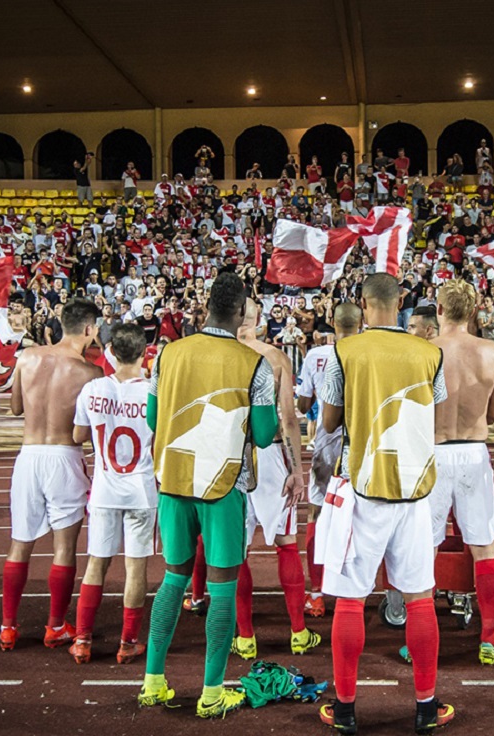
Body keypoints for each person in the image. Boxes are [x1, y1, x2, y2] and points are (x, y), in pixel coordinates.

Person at [316, 273, 453, 735]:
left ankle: (347, 710)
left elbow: (331, 420)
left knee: (351, 599)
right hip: (414, 486)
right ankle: (426, 706)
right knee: (418, 598)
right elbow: (431, 415)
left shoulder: (344, 351)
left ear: (362, 302)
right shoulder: (430, 353)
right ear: (402, 304)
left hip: (362, 484)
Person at [138, 271, 277, 719]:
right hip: (224, 485)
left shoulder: (168, 354)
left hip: (174, 480)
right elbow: (263, 434)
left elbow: (154, 418)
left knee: (174, 578)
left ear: (205, 309)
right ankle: (212, 693)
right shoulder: (254, 363)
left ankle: (153, 682)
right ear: (240, 313)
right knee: (221, 589)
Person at [0, 299, 104, 651]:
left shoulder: (27, 358)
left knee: (20, 542)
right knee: (65, 547)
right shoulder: (90, 373)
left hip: (28, 455)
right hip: (64, 454)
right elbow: (86, 430)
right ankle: (56, 624)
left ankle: (7, 626)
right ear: (89, 328)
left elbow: (15, 407)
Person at [424, 280, 494, 664]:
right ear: (473, 312)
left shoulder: (424, 351)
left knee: (424, 549)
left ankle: (420, 638)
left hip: (434, 453)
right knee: (484, 547)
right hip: (474, 452)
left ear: (439, 310)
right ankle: (489, 638)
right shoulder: (493, 353)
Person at [68, 323, 156, 665]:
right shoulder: (152, 392)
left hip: (105, 487)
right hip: (141, 489)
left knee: (96, 564)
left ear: (112, 352)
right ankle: (128, 641)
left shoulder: (93, 389)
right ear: (144, 351)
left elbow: (77, 436)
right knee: (136, 568)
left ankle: (83, 639)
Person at [232, 299, 313, 660]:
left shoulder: (218, 354)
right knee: (285, 542)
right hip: (269, 454)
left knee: (236, 549)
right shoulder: (276, 358)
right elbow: (290, 419)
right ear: (259, 320)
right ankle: (298, 631)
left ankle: (246, 637)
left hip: (230, 455)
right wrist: (297, 469)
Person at [295, 303, 363, 619]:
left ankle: (317, 592)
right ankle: (356, 591)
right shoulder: (369, 352)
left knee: (317, 512)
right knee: (367, 512)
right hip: (362, 440)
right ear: (361, 322)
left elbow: (304, 401)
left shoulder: (315, 356)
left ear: (332, 323)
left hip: (326, 438)